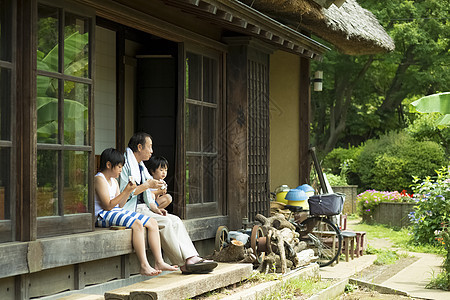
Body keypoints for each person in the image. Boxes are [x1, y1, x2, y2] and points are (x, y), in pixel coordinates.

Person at [119, 132, 218, 274]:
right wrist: (147, 185)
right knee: (165, 223)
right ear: (140, 147)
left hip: (144, 207)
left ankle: (192, 256)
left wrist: (155, 208)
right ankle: (183, 263)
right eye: (150, 147)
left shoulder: (140, 165)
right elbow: (125, 194)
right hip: (131, 209)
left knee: (175, 219)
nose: (152, 151)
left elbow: (147, 195)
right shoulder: (126, 164)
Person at [94, 148, 178, 276]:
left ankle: (159, 261)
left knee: (152, 222)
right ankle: (144, 265)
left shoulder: (114, 182)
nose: (121, 170)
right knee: (137, 224)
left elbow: (120, 205)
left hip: (115, 211)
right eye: (119, 167)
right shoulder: (99, 179)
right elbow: (107, 206)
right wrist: (125, 191)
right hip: (102, 215)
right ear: (108, 165)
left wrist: (128, 191)